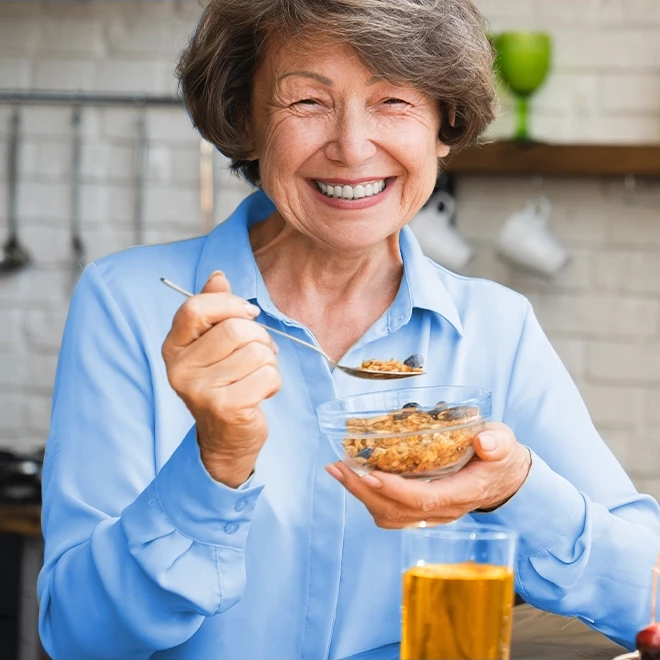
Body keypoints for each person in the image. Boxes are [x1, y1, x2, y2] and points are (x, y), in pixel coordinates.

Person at [38, 0, 660, 658]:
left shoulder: (495, 327)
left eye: (393, 100)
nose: (352, 148)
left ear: (444, 124)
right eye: (307, 101)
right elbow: (79, 638)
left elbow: (645, 595)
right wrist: (214, 464)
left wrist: (514, 487)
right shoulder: (127, 302)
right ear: (245, 121)